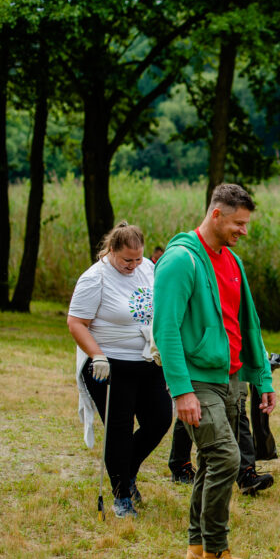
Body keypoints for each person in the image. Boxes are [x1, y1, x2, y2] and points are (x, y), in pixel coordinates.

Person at [153, 183, 276, 559]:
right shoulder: (180, 260)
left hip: (231, 378)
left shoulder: (233, 262)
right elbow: (165, 329)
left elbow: (249, 323)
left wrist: (261, 379)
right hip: (198, 379)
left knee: (210, 460)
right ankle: (216, 557)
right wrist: (181, 390)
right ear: (217, 214)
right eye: (239, 223)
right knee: (226, 457)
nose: (244, 231)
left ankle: (195, 544)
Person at [67, 221, 172, 518]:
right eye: (128, 259)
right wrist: (96, 355)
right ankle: (120, 495)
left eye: (138, 258)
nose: (134, 265)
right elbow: (76, 322)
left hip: (147, 361)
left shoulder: (147, 269)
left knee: (160, 419)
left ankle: (127, 472)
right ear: (112, 251)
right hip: (109, 366)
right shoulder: (95, 279)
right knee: (119, 430)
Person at [167, 396, 275, 494]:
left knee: (239, 410)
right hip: (199, 379)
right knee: (194, 412)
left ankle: (246, 474)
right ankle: (180, 466)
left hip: (232, 377)